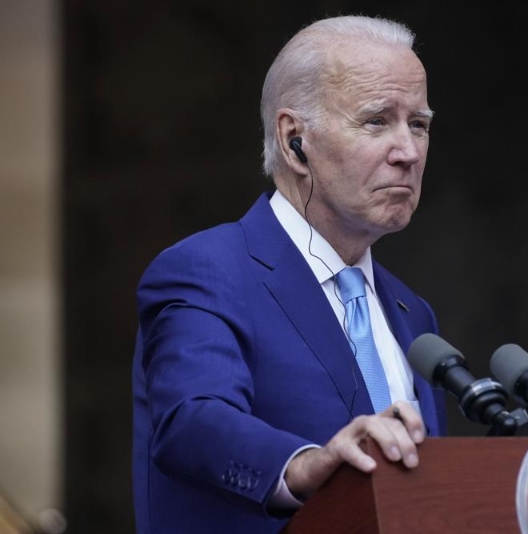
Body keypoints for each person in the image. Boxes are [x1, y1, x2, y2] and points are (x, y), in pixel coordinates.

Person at [131, 14, 447, 534]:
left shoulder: (415, 315)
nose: (408, 152)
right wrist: (304, 464)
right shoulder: (207, 271)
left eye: (418, 124)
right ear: (295, 138)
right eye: (376, 121)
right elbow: (192, 419)